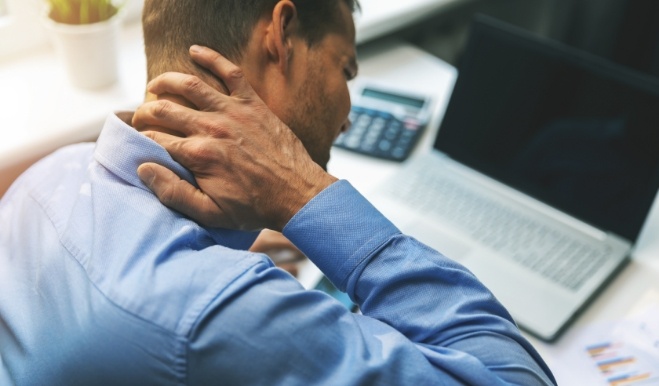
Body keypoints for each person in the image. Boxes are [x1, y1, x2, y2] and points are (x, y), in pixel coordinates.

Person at [0, 1, 556, 385]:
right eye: (346, 69)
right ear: (281, 36)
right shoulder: (214, 311)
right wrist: (306, 194)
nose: (347, 114)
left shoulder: (42, 180)